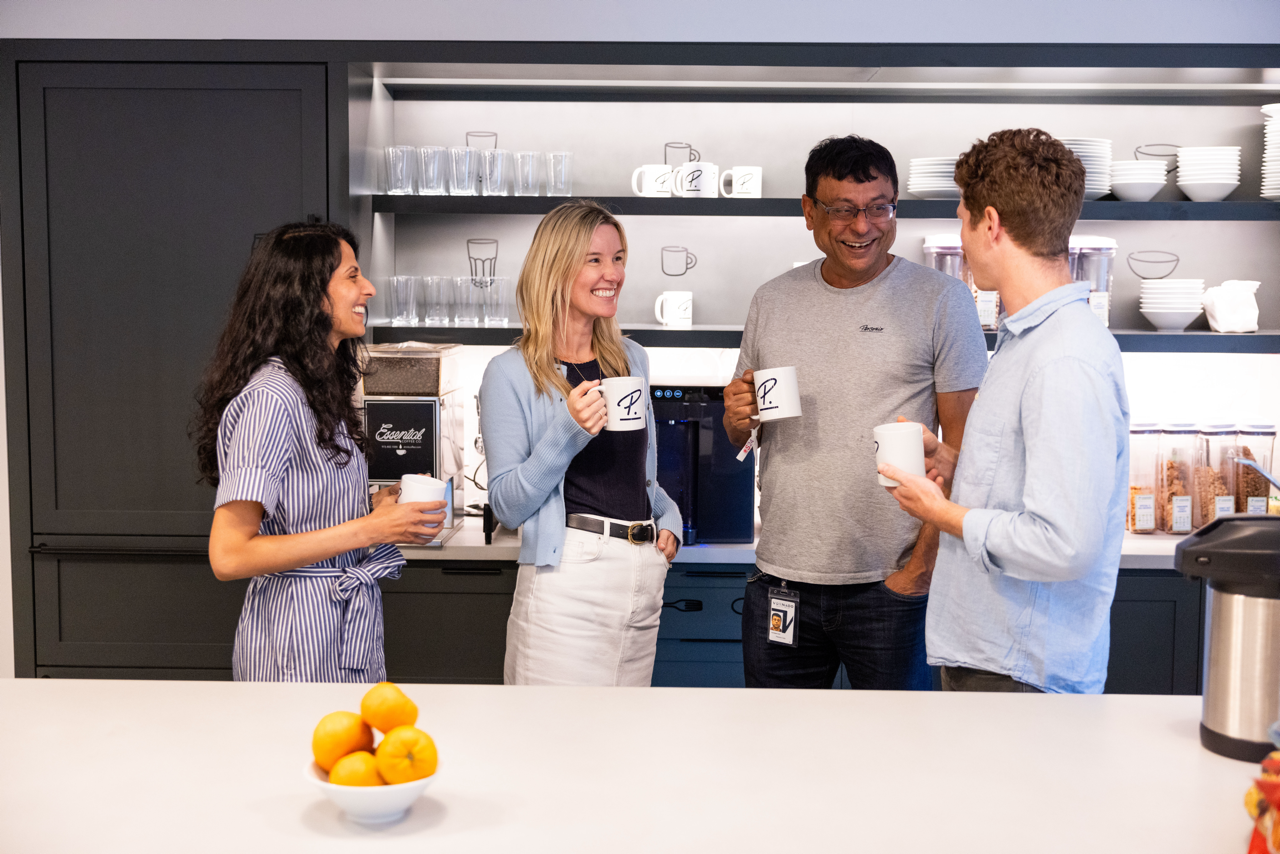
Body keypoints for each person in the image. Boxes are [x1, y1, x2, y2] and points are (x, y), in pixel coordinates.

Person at [723, 135, 988, 690]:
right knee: (777, 753)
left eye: (878, 207)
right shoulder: (771, 301)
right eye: (843, 210)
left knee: (898, 762)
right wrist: (738, 416)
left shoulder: (942, 300)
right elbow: (743, 437)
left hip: (890, 588)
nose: (862, 226)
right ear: (808, 211)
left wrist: (919, 572)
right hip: (782, 581)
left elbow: (969, 456)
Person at [879, 128, 1130, 694]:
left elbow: (1062, 543)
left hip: (1019, 673)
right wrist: (951, 459)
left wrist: (940, 513)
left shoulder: (1064, 357)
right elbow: (1025, 481)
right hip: (993, 657)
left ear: (989, 224)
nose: (961, 239)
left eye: (962, 220)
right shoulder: (1026, 341)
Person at [194, 222, 447, 682]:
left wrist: (373, 508)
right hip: (296, 640)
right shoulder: (272, 398)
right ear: (307, 293)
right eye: (352, 276)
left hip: (340, 624)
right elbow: (229, 555)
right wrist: (370, 528)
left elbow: (302, 509)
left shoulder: (317, 390)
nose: (368, 288)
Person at [479, 200, 682, 686]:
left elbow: (638, 474)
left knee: (624, 744)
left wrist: (667, 515)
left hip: (641, 572)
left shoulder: (630, 358)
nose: (612, 273)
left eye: (618, 258)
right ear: (555, 267)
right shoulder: (509, 373)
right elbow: (508, 505)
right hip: (566, 580)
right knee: (550, 746)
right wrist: (568, 432)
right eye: (595, 259)